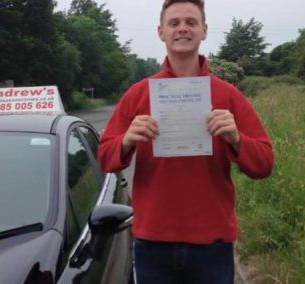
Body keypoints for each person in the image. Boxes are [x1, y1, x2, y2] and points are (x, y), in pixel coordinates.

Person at [97, 0, 274, 283]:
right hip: (152, 244)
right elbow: (105, 157)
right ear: (161, 32)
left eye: (191, 22)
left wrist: (237, 139)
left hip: (212, 246)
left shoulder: (227, 95)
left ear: (204, 31)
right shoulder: (138, 94)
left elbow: (264, 164)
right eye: (174, 23)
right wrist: (126, 140)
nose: (182, 29)